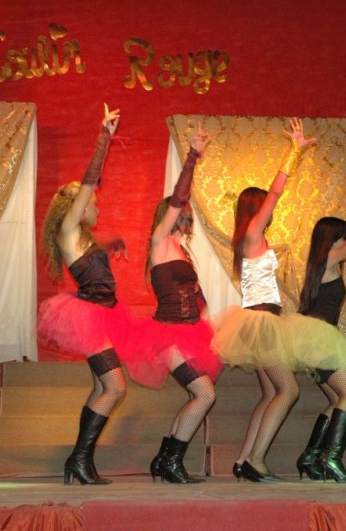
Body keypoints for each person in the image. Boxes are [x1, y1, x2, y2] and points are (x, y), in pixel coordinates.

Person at [213, 117, 316, 483]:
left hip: (261, 320)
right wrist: (293, 153)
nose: (268, 213)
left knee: (271, 391)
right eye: (263, 208)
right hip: (261, 321)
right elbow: (275, 194)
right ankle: (256, 460)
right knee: (288, 390)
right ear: (255, 210)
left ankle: (244, 460)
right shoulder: (253, 232)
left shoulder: (253, 238)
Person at [122, 123, 223, 484]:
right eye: (184, 208)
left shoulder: (181, 249)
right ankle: (171, 460)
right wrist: (193, 156)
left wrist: (207, 318)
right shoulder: (160, 241)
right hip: (167, 332)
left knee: (200, 393)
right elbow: (179, 196)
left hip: (189, 331)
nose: (188, 209)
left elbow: (195, 293)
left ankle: (165, 459)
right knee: (204, 394)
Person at [37, 104, 129, 485]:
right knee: (116, 386)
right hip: (90, 316)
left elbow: (91, 257)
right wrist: (104, 137)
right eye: (93, 202)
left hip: (101, 314)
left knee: (102, 387)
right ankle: (78, 459)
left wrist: (110, 244)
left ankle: (81, 462)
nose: (97, 206)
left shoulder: (80, 237)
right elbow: (90, 181)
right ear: (79, 205)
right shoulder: (69, 227)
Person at [288, 186, 346, 483]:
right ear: (333, 239)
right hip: (320, 340)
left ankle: (310, 456)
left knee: (336, 399)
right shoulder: (328, 258)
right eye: (342, 237)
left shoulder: (322, 263)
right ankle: (332, 459)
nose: (345, 243)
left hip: (317, 339)